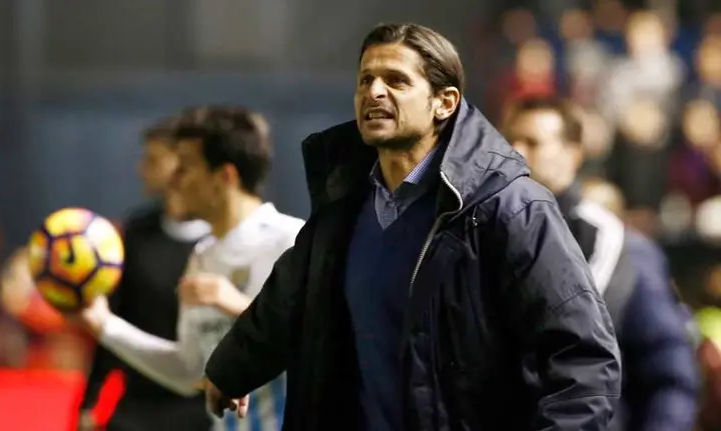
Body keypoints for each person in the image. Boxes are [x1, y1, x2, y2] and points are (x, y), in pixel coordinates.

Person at [203, 23, 621, 430]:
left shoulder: (510, 207)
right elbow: (285, 302)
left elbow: (583, 358)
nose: (374, 92)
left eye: (396, 80)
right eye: (365, 79)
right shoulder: (342, 208)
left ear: (445, 102)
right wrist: (229, 370)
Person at [77, 107, 304, 431]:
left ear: (225, 177)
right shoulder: (202, 257)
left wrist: (238, 306)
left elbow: (327, 345)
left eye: (184, 168)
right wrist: (105, 326)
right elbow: (189, 372)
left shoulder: (294, 241)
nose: (172, 180)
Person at [503, 96, 699, 431]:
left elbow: (669, 379)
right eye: (510, 142)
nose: (517, 153)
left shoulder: (621, 249)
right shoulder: (485, 237)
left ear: (573, 154)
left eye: (533, 143)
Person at [75, 114, 212, 430]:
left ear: (182, 165)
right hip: (138, 410)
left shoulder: (223, 240)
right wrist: (90, 400)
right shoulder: (136, 233)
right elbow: (115, 318)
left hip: (204, 413)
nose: (141, 169)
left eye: (152, 160)